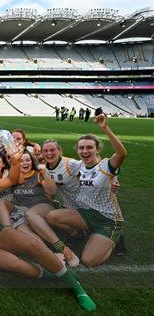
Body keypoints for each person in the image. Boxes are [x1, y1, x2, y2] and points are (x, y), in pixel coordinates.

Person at [0, 164, 97, 312]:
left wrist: (15, 158)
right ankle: (52, 274)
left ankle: (76, 287)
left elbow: (10, 180)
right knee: (17, 265)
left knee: (33, 244)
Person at [46, 113, 127, 268]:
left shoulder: (105, 166)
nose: (85, 151)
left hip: (107, 219)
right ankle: (80, 234)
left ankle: (115, 239)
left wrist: (105, 128)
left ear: (97, 149)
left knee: (89, 261)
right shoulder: (79, 165)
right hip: (85, 213)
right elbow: (58, 161)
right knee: (52, 216)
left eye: (89, 147)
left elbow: (122, 154)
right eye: (81, 148)